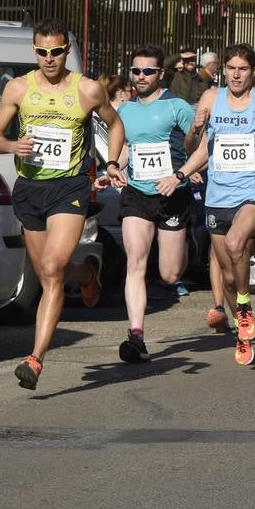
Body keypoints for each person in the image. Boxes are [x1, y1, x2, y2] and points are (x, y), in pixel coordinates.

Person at [0, 18, 126, 390]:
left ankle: (35, 359)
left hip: (70, 187)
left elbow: (115, 125)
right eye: (43, 52)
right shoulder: (18, 88)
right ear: (35, 51)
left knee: (52, 266)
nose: (50, 58)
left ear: (67, 50)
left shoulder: (88, 90)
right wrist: (13, 146)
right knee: (49, 273)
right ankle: (87, 274)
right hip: (30, 188)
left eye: (57, 51)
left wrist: (112, 163)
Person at [157, 44, 255, 366]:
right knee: (229, 277)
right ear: (224, 71)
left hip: (252, 196)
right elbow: (197, 146)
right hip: (217, 197)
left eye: (243, 69)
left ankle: (246, 307)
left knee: (237, 244)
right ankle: (242, 331)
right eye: (231, 68)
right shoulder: (210, 98)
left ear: (252, 71)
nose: (236, 75)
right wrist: (184, 159)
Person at [101, 45, 196, 363]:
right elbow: (129, 148)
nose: (140, 77)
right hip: (137, 195)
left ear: (161, 74)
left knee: (169, 275)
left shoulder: (177, 107)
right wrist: (113, 168)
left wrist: (182, 173)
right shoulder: (125, 110)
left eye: (147, 71)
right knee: (136, 263)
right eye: (135, 71)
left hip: (172, 195)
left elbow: (204, 144)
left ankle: (187, 236)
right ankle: (136, 335)